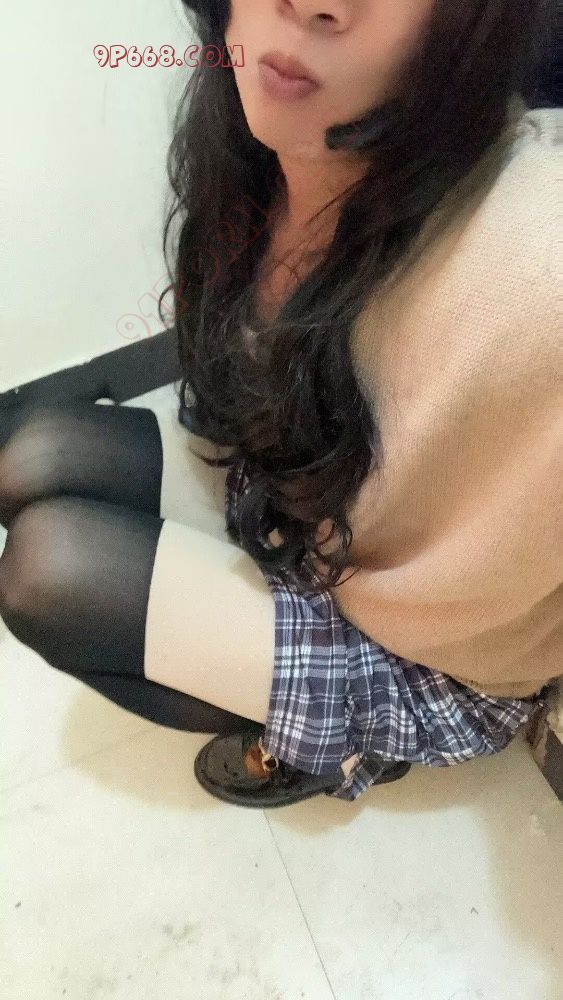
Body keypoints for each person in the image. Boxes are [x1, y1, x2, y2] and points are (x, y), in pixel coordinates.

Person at [0, 1, 559, 808]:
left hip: (424, 650)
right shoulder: (253, 142)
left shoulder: (531, 244)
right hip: (310, 520)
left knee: (52, 572)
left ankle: (332, 745)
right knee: (33, 453)